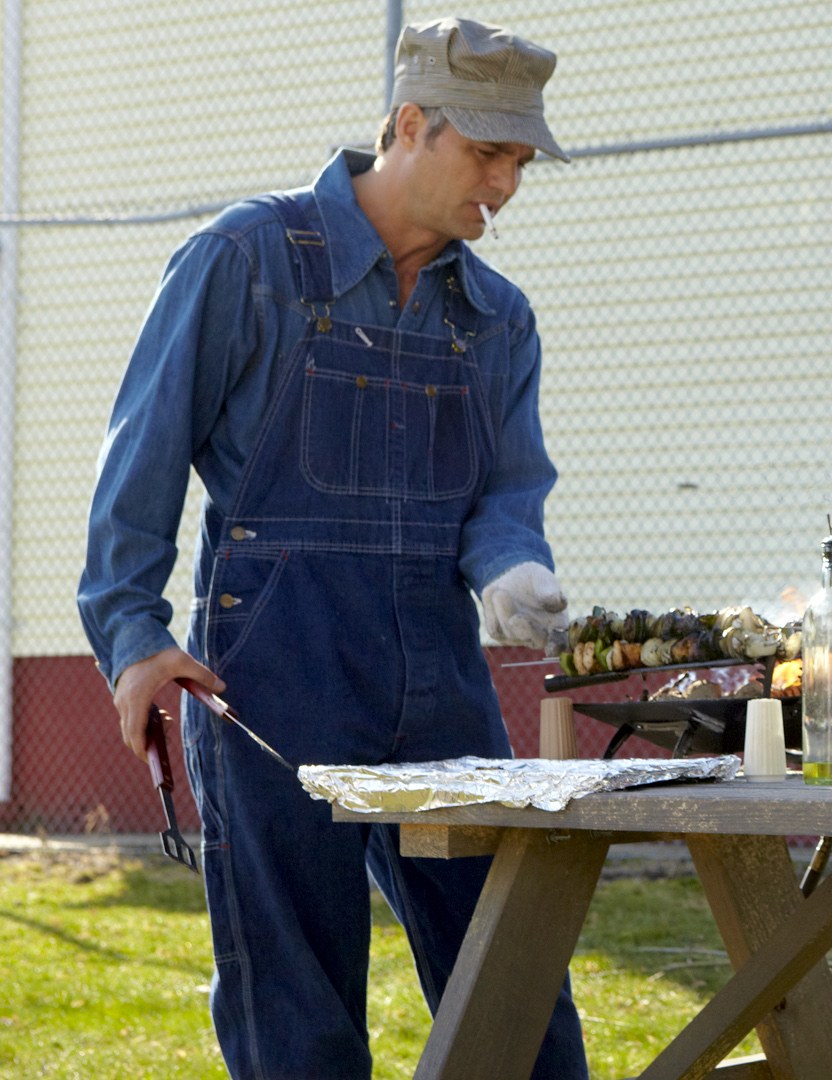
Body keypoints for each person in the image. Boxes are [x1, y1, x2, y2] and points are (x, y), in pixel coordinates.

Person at [77, 17, 587, 1079]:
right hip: (273, 683)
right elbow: (144, 454)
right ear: (410, 125)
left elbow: (506, 492)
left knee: (519, 995)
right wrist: (132, 637)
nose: (506, 182)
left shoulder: (497, 319)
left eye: (520, 160)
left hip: (441, 689)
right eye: (486, 152)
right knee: (298, 1020)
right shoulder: (245, 261)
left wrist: (510, 565)